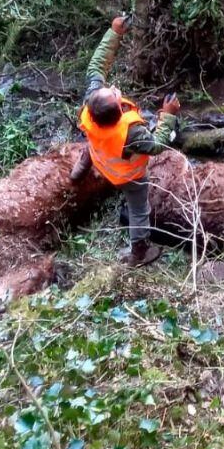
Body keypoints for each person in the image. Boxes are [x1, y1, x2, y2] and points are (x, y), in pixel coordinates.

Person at [71, 14, 180, 267]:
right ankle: (139, 253)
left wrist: (114, 32)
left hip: (98, 154)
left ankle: (77, 175)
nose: (116, 90)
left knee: (90, 146)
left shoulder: (90, 103)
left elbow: (97, 66)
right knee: (138, 210)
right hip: (127, 176)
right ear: (119, 111)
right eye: (115, 95)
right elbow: (157, 146)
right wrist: (168, 117)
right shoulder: (131, 133)